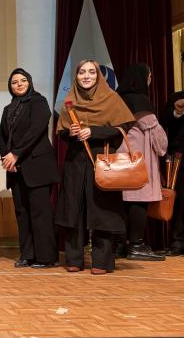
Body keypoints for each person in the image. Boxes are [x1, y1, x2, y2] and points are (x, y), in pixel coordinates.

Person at [55, 59, 135, 274]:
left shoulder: (111, 98)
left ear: (99, 76)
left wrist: (94, 131)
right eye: (82, 72)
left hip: (102, 159)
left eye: (91, 72)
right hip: (75, 162)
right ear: (76, 76)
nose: (86, 76)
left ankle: (102, 261)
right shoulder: (70, 100)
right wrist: (70, 133)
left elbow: (124, 126)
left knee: (102, 210)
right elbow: (62, 132)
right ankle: (74, 258)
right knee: (74, 209)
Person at [0, 68, 60, 269]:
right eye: (14, 82)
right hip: (16, 169)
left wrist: (16, 153)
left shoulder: (39, 102)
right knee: (22, 213)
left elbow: (36, 130)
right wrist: (8, 157)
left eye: (23, 80)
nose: (19, 84)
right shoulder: (8, 108)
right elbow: (1, 135)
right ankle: (28, 254)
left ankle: (46, 257)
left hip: (38, 166)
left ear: (30, 82)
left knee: (40, 213)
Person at [116, 64, 166, 261]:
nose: (150, 80)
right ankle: (136, 245)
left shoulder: (117, 98)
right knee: (138, 200)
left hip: (120, 158)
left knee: (122, 202)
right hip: (137, 159)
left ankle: (119, 244)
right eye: (149, 76)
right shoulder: (140, 101)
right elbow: (158, 140)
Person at [161, 87, 184, 254]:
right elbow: (163, 122)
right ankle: (178, 242)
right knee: (181, 200)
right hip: (180, 157)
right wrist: (178, 112)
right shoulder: (176, 98)